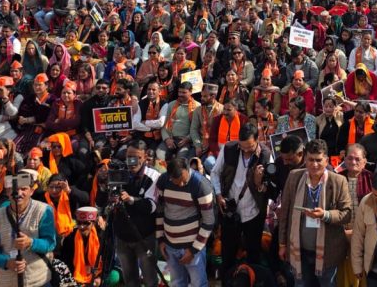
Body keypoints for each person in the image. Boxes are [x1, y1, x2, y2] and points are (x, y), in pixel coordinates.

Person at [277, 139, 353, 287]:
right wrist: (282, 244)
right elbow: (285, 213)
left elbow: (347, 214)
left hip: (328, 252)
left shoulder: (338, 181)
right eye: (311, 160)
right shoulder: (294, 177)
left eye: (318, 160)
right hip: (299, 250)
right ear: (305, 159)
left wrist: (325, 215)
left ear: (326, 161)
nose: (314, 164)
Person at [210, 122, 271, 277]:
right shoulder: (229, 149)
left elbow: (270, 188)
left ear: (257, 140)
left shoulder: (265, 155)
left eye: (249, 147)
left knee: (253, 255)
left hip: (254, 213)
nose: (245, 151)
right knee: (228, 254)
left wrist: (259, 184)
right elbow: (215, 173)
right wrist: (218, 195)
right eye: (242, 147)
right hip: (230, 211)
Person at [0, 168, 57, 287]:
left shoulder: (43, 210)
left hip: (37, 280)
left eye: (24, 189)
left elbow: (50, 243)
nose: (18, 193)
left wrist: (31, 242)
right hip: (7, 282)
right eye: (14, 189)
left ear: (31, 191)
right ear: (7, 191)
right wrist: (6, 262)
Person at [155, 156, 214, 287]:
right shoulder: (163, 181)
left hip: (192, 246)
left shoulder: (201, 185)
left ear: (188, 169)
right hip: (170, 246)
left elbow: (209, 221)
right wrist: (160, 239)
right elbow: (160, 211)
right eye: (177, 182)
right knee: (177, 283)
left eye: (184, 181)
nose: (181, 185)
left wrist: (193, 250)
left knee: (198, 284)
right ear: (169, 177)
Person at [111, 140, 159, 287]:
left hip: (144, 236)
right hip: (122, 236)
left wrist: (130, 199)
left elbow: (151, 206)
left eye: (136, 157)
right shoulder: (119, 172)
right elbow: (105, 200)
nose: (132, 161)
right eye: (129, 157)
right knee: (130, 280)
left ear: (145, 157)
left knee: (150, 280)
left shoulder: (153, 176)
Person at [158, 81, 203, 162]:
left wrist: (188, 139)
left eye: (184, 92)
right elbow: (164, 125)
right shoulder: (171, 105)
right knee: (159, 155)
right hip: (170, 139)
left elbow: (198, 128)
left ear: (191, 92)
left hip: (186, 142)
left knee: (180, 161)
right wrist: (167, 139)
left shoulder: (197, 107)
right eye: (179, 92)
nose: (180, 94)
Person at [59, 207, 105, 287]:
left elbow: (106, 261)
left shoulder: (101, 237)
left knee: (114, 275)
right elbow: (65, 261)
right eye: (79, 223)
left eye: (86, 223)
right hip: (76, 274)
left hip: (96, 274)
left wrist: (100, 277)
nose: (81, 227)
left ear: (93, 223)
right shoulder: (70, 238)